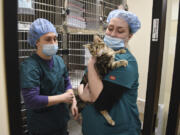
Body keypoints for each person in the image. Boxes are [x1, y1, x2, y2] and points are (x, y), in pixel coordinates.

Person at [78, 9, 141, 135]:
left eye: (120, 31)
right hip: (91, 128)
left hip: (117, 130)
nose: (112, 34)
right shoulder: (100, 54)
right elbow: (83, 82)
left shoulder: (126, 63)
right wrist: (82, 96)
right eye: (110, 28)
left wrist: (91, 62)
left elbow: (101, 102)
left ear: (129, 36)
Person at [20, 18, 78, 135]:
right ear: (37, 42)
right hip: (42, 127)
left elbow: (66, 82)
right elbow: (31, 100)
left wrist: (73, 101)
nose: (53, 43)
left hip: (61, 122)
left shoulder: (59, 60)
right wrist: (63, 98)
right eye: (48, 39)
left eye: (55, 39)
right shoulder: (30, 66)